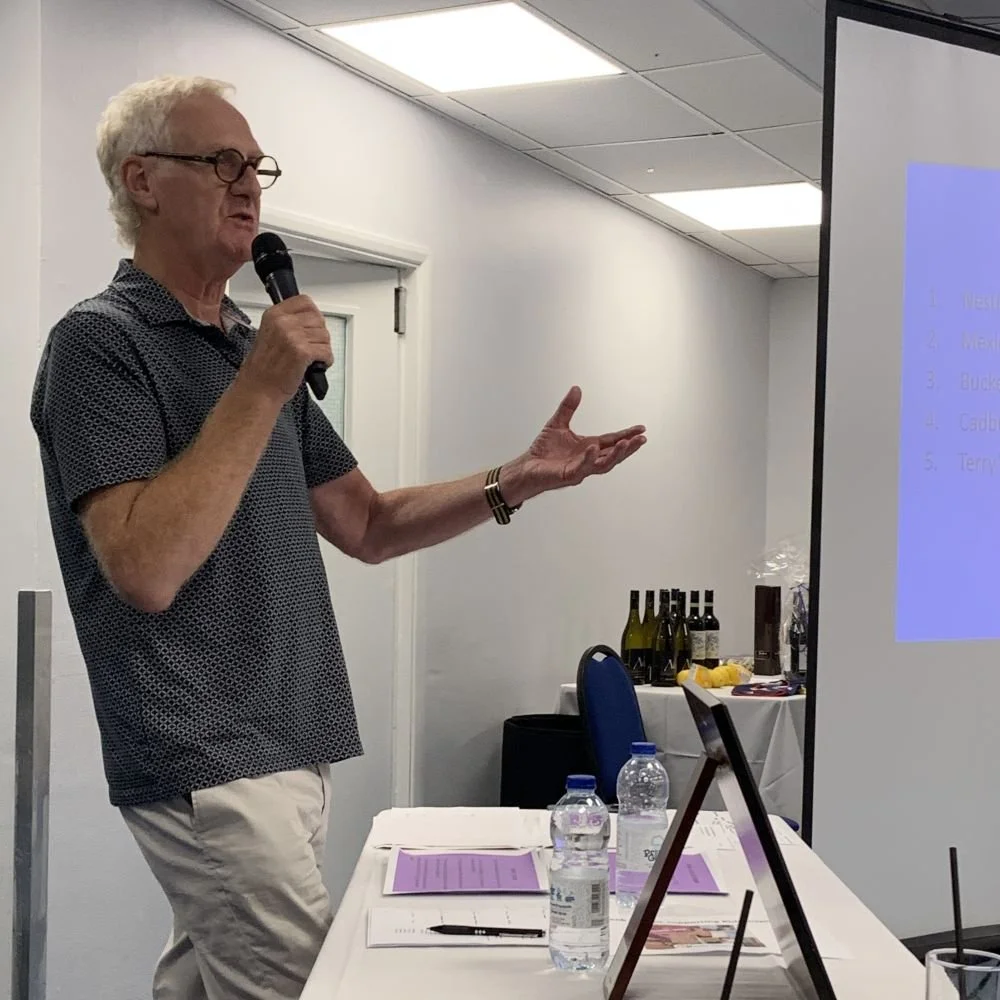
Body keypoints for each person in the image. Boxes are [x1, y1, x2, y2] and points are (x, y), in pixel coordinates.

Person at [30, 75, 646, 1000]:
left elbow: (366, 521)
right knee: (310, 985)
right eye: (222, 162)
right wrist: (263, 383)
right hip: (207, 752)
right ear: (143, 180)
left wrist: (515, 479)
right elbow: (145, 569)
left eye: (257, 166)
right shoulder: (99, 344)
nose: (250, 186)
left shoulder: (242, 344)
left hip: (293, 740)